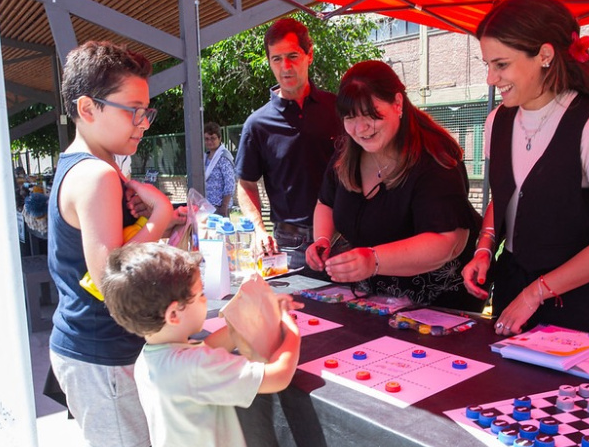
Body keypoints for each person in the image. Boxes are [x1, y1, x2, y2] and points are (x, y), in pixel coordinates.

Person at [461, 0, 589, 339]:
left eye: (501, 64)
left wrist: (535, 293)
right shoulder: (496, 121)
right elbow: (508, 197)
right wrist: (485, 248)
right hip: (512, 286)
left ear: (544, 55)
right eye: (487, 64)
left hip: (576, 304)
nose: (490, 78)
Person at [48, 40, 180, 447]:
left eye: (146, 111)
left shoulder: (86, 166)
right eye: (134, 111)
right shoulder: (97, 176)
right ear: (87, 109)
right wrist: (159, 220)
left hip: (92, 348)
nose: (144, 122)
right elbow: (111, 279)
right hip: (100, 353)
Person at [305, 60, 484, 311]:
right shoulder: (347, 155)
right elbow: (326, 201)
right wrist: (322, 239)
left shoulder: (435, 159)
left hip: (437, 309)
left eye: (371, 115)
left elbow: (448, 241)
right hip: (377, 302)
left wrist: (374, 260)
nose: (360, 128)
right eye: (350, 117)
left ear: (398, 104)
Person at [100, 242, 301, 447]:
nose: (205, 300)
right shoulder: (194, 367)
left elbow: (206, 348)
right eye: (201, 294)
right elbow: (278, 376)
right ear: (174, 314)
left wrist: (250, 316)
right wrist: (292, 332)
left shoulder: (151, 356)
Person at [235, 17, 342, 270]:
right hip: (292, 244)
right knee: (296, 311)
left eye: (293, 56)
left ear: (309, 55)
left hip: (344, 237)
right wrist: (258, 230)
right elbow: (246, 183)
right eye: (277, 59)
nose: (286, 67)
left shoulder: (338, 109)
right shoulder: (257, 124)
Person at [203, 122, 235, 217]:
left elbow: (230, 184)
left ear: (219, 138)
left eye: (213, 138)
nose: (209, 142)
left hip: (219, 208)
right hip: (206, 206)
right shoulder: (205, 157)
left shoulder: (223, 158)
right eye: (206, 139)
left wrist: (223, 208)